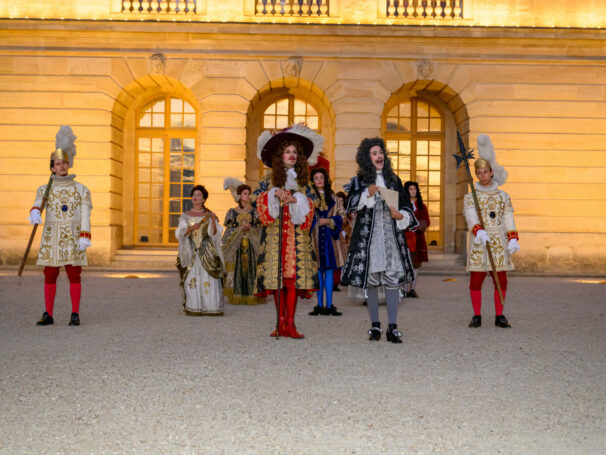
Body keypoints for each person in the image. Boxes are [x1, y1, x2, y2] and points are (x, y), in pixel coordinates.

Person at [341, 138, 418, 343]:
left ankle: (392, 327)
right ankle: (375, 325)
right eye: (374, 153)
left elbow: (405, 206)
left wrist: (401, 216)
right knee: (372, 281)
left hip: (391, 238)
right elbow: (350, 204)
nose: (379, 155)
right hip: (369, 240)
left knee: (393, 280)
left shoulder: (394, 180)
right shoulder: (358, 181)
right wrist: (368, 193)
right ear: (367, 157)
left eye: (381, 152)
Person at [253, 124, 321, 339]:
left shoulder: (304, 182)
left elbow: (315, 201)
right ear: (279, 155)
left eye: (294, 152)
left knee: (291, 280)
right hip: (274, 237)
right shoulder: (267, 180)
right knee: (277, 280)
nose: (291, 155)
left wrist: (296, 199)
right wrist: (273, 194)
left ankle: (290, 323)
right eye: (287, 151)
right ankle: (279, 322)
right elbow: (256, 198)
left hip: (297, 239)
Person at [30, 126, 92, 327]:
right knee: (50, 274)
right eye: (58, 163)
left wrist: (85, 235)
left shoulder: (81, 189)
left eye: (64, 162)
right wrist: (35, 211)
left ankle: (75, 313)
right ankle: (48, 313)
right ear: (52, 167)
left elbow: (85, 214)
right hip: (52, 236)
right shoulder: (44, 188)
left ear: (68, 164)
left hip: (73, 235)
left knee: (74, 274)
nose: (62, 166)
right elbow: (39, 202)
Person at [464, 135, 519, 328]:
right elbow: (470, 214)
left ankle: (499, 315)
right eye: (479, 172)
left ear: (491, 172)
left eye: (485, 172)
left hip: (499, 241)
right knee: (476, 279)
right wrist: (478, 231)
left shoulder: (504, 196)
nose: (482, 175)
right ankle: (477, 315)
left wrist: (512, 237)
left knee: (500, 280)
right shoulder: (471, 196)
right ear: (477, 174)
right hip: (480, 241)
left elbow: (508, 216)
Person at [175, 185, 225, 316]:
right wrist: (191, 229)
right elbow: (179, 234)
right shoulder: (185, 216)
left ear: (203, 199)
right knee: (192, 278)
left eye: (198, 195)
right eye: (194, 195)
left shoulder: (209, 215)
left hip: (207, 250)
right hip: (191, 250)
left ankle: (210, 307)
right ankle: (194, 306)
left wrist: (213, 222)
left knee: (208, 278)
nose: (195, 197)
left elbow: (214, 234)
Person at [308, 167, 346, 316]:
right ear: (313, 181)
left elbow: (342, 216)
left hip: (330, 240)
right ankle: (319, 304)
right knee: (318, 271)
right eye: (316, 178)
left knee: (329, 270)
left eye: (321, 178)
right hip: (314, 238)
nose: (319, 180)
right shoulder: (309, 197)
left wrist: (329, 221)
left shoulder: (334, 197)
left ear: (325, 180)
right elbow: (303, 217)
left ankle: (329, 304)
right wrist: (316, 221)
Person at [221, 178, 262, 305]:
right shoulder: (232, 212)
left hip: (250, 245)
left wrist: (251, 228)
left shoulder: (254, 211)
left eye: (248, 193)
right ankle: (237, 293)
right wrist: (240, 228)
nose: (247, 196)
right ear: (239, 195)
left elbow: (259, 227)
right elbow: (229, 229)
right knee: (237, 268)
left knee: (251, 268)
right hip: (237, 246)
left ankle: (251, 293)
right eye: (245, 193)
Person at [404, 181, 430, 298]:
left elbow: (427, 221)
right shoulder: (403, 205)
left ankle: (412, 289)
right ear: (407, 191)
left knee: (416, 264)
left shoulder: (421, 206)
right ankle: (404, 289)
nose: (413, 191)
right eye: (410, 189)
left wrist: (419, 225)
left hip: (418, 238)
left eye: (414, 189)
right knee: (405, 263)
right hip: (405, 237)